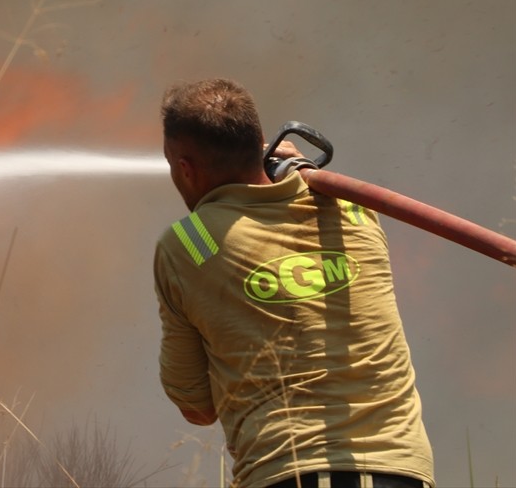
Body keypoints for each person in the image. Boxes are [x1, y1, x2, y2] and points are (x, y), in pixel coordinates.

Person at [153, 78, 434, 488]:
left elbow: (196, 407)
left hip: (290, 474)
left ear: (185, 168)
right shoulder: (356, 212)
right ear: (261, 144)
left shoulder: (187, 247)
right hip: (404, 471)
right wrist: (300, 170)